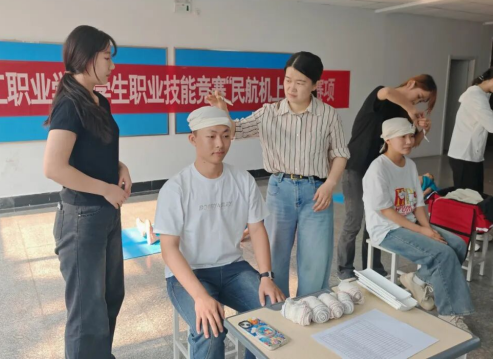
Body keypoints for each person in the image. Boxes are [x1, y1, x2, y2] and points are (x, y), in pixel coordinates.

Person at [207, 51, 349, 297]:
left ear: (315, 85)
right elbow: (236, 130)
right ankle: (278, 309)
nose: (291, 88)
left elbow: (340, 153)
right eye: (288, 80)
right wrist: (222, 111)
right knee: (274, 255)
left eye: (300, 82)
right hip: (279, 190)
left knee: (315, 259)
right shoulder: (269, 113)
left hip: (317, 192)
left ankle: (310, 306)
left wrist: (330, 184)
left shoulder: (328, 115)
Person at [154, 106, 285, 359]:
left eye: (226, 136)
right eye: (211, 136)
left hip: (233, 268)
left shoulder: (242, 180)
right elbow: (169, 249)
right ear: (193, 139)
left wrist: (266, 276)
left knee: (273, 312)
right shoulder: (176, 188)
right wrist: (200, 296)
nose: (220, 143)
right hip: (191, 274)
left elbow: (257, 229)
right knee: (209, 329)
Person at [43, 25, 131, 359]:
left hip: (105, 214)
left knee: (110, 298)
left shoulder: (99, 101)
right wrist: (105, 189)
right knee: (86, 314)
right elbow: (54, 167)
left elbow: (95, 150)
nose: (112, 66)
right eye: (107, 58)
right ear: (86, 58)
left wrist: (120, 167)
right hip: (82, 217)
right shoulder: (70, 104)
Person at [363, 117, 473, 330]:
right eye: (402, 137)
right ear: (387, 139)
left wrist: (428, 229)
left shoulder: (410, 165)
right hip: (387, 229)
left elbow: (418, 203)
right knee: (443, 253)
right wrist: (422, 230)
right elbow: (387, 211)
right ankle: (450, 314)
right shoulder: (378, 169)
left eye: (411, 136)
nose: (409, 141)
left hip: (410, 222)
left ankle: (419, 280)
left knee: (458, 244)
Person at [337, 75, 437, 280]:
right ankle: (345, 269)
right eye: (418, 96)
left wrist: (422, 130)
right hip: (356, 167)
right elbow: (387, 91)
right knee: (354, 220)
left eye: (420, 101)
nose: (416, 102)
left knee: (376, 221)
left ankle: (373, 268)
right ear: (411, 83)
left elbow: (408, 144)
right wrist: (410, 108)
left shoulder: (403, 112)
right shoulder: (382, 97)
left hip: (380, 172)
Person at [448, 66, 493, 195]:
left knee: (476, 196)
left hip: (471, 156)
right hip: (464, 156)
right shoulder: (475, 96)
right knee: (466, 198)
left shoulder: (483, 95)